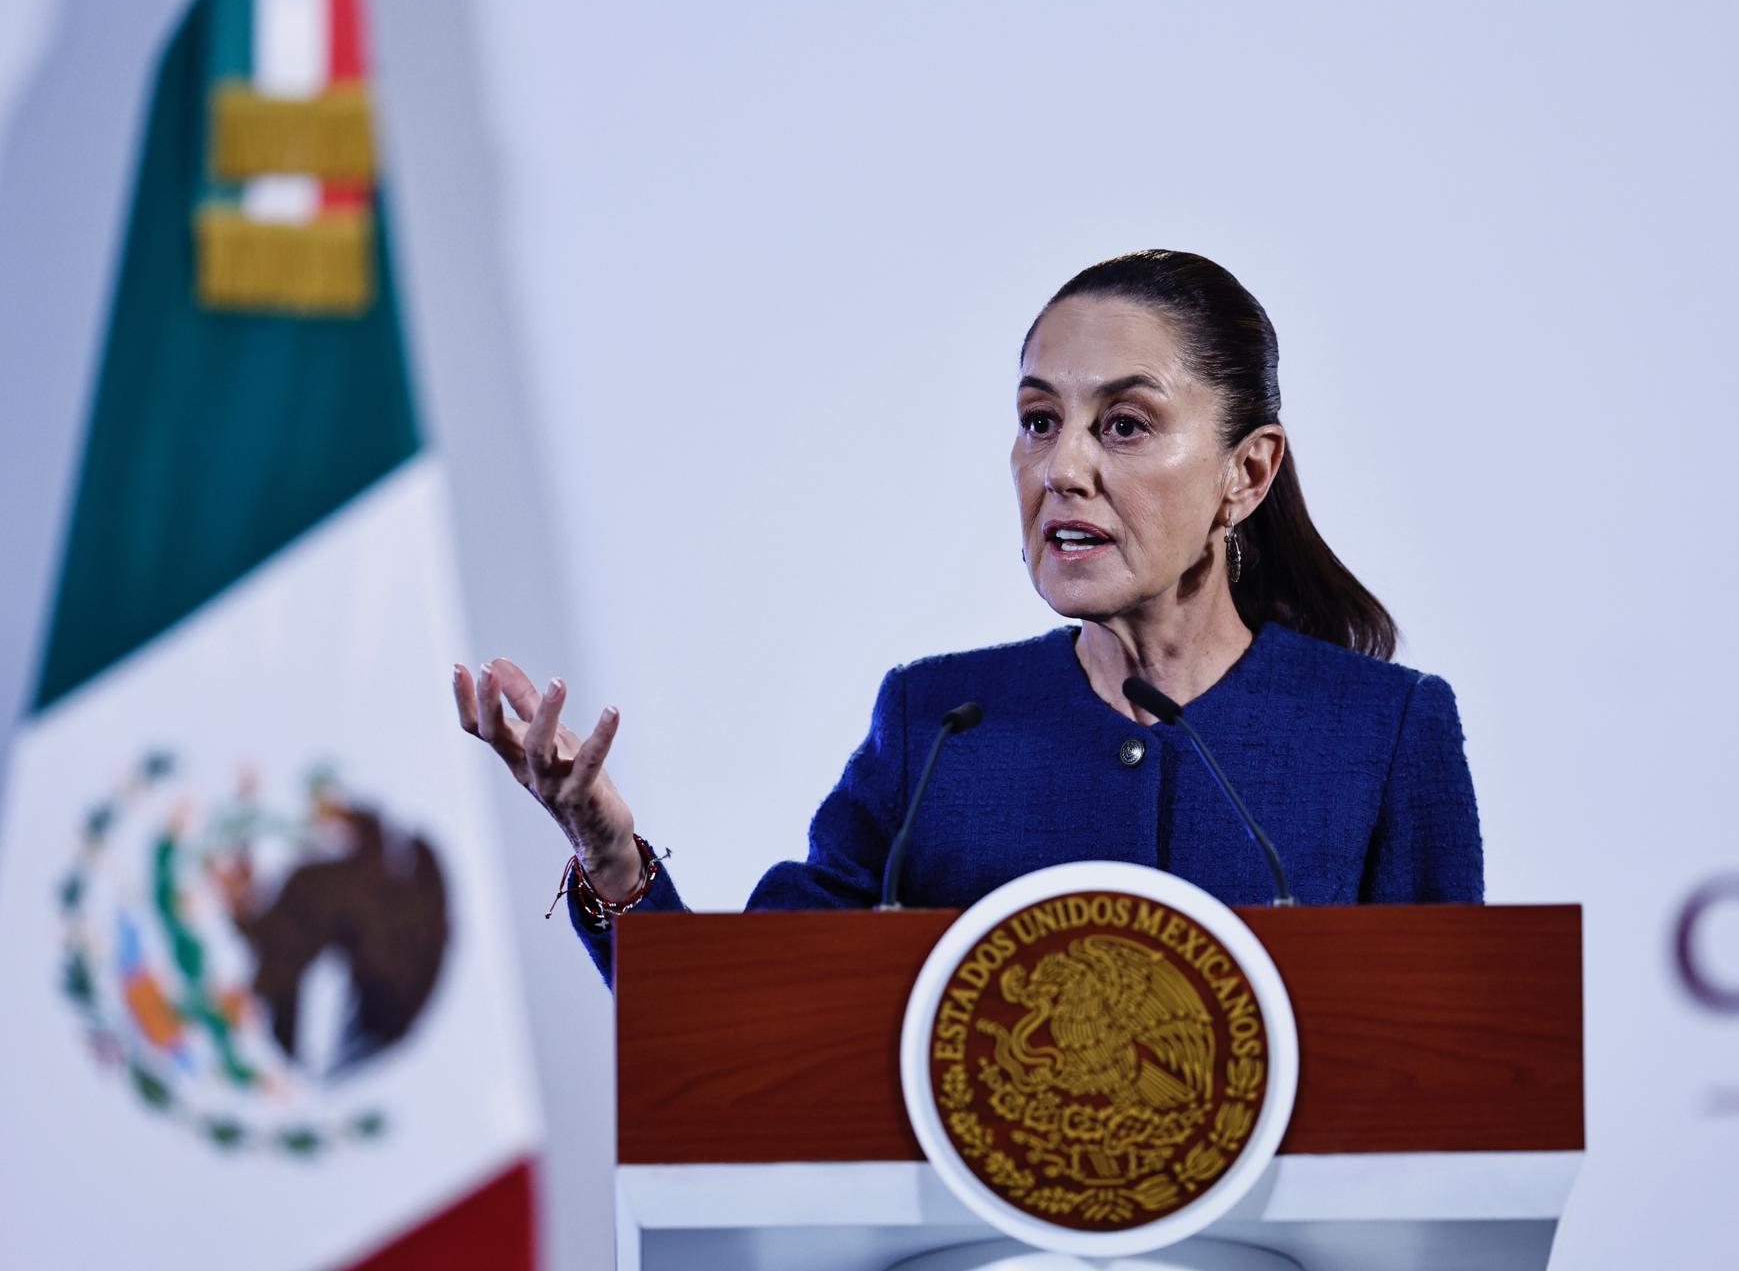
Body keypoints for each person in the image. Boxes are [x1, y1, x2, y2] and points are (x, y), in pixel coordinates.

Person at [453, 250, 1484, 989]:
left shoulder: (1385, 734)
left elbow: (1458, 1077)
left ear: (1246, 473)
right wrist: (611, 853)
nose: (1063, 467)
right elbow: (736, 1012)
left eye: (1123, 425)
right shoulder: (939, 725)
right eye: (1040, 421)